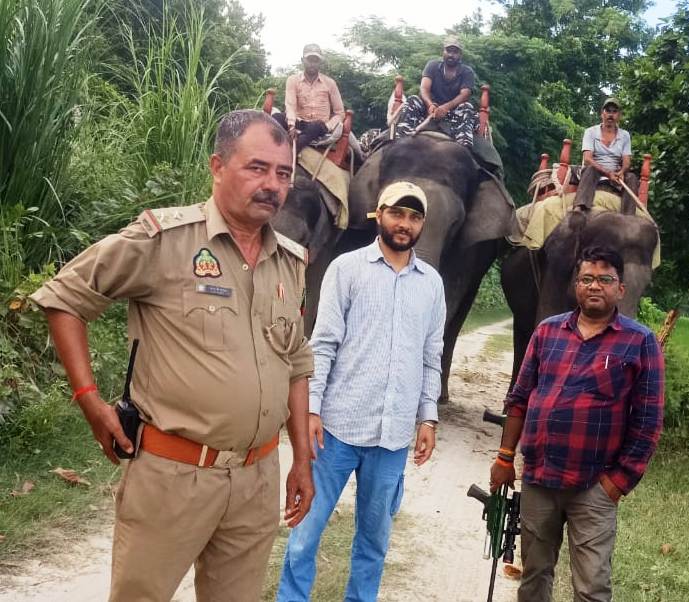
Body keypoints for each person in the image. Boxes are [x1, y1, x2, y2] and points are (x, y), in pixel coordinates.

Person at [28, 110, 316, 602]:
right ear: (218, 166)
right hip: (171, 477)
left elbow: (296, 362)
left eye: (283, 173)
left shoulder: (289, 260)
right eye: (257, 168)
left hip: (255, 479)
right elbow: (65, 299)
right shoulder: (164, 240)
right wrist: (89, 401)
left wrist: (302, 462)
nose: (272, 184)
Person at [276, 181, 446, 602]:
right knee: (304, 534)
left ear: (421, 223)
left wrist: (428, 417)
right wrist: (312, 409)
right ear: (379, 215)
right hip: (336, 429)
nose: (404, 224)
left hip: (392, 438)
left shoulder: (432, 284)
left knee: (374, 543)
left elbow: (431, 356)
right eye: (397, 213)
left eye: (414, 216)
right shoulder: (346, 269)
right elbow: (325, 342)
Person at [489, 246, 665, 602]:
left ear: (621, 289)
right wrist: (506, 456)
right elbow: (519, 398)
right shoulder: (547, 332)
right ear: (576, 285)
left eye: (605, 279)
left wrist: (617, 482)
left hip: (594, 486)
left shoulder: (639, 341)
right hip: (540, 478)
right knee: (534, 576)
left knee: (591, 587)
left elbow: (648, 421)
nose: (594, 286)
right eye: (587, 278)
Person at [395, 35, 478, 147]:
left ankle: (464, 148)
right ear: (443, 52)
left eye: (455, 52)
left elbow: (465, 94)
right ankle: (401, 140)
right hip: (429, 110)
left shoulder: (467, 72)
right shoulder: (432, 65)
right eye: (448, 50)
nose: (451, 55)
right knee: (412, 100)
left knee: (467, 107)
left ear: (460, 55)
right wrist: (430, 105)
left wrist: (445, 108)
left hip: (453, 114)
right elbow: (424, 88)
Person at [279, 43, 346, 151]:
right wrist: (291, 126)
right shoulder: (292, 80)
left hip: (319, 126)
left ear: (320, 62)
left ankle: (293, 150)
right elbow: (290, 107)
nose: (312, 64)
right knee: (276, 117)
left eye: (316, 60)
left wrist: (328, 126)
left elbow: (340, 113)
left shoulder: (330, 83)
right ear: (302, 60)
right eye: (310, 59)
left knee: (316, 126)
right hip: (299, 123)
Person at [575, 98, 632, 210]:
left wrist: (621, 172)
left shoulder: (625, 135)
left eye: (614, 111)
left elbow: (627, 161)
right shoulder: (590, 132)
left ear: (619, 115)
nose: (611, 114)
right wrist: (607, 173)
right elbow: (587, 159)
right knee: (590, 169)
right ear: (602, 114)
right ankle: (580, 207)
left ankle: (628, 216)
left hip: (615, 174)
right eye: (608, 111)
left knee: (632, 178)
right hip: (595, 171)